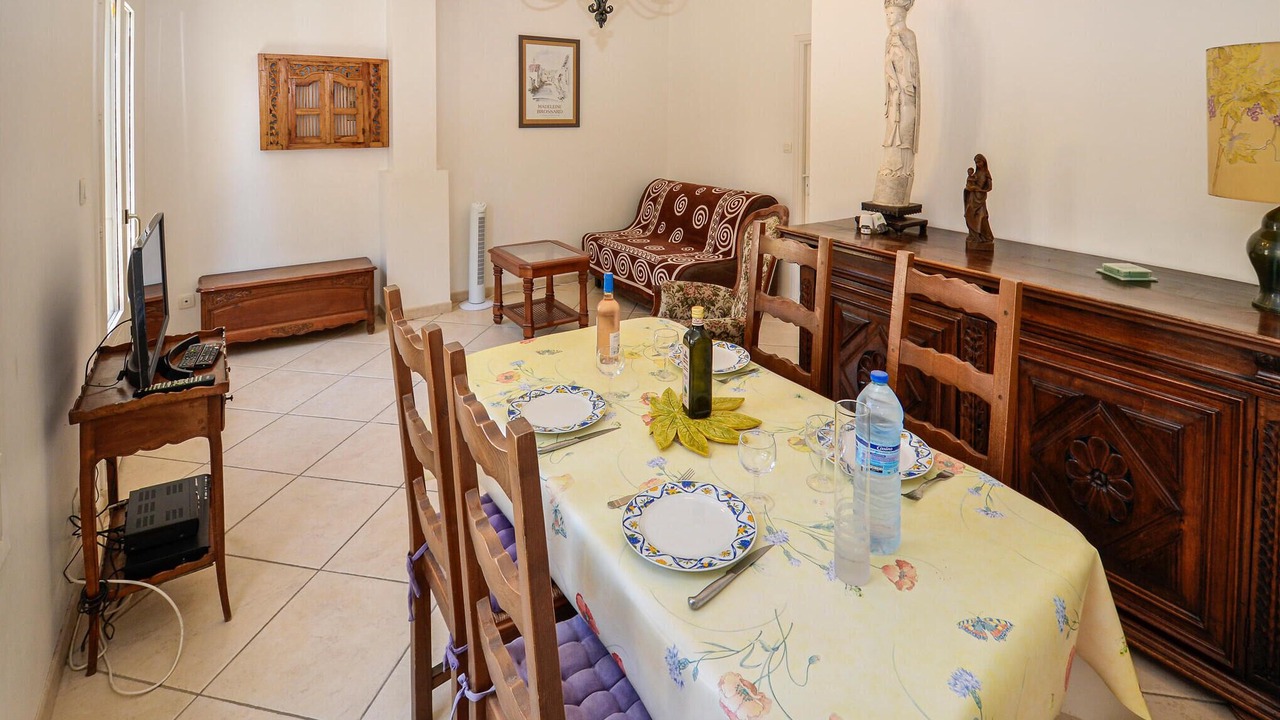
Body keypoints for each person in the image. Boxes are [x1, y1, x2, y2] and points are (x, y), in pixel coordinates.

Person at [872, 0, 920, 207]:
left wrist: (901, 48)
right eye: (887, 14)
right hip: (894, 97)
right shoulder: (888, 38)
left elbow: (913, 69)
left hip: (906, 97)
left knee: (904, 136)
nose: (888, 18)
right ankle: (888, 182)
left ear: (901, 14)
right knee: (891, 135)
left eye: (891, 14)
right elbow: (887, 69)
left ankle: (900, 181)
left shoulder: (908, 36)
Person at [964, 154, 994, 244]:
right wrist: (969, 188)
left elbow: (989, 187)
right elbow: (969, 184)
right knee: (969, 214)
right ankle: (974, 236)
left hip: (980, 198)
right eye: (976, 163)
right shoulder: (975, 174)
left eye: (979, 162)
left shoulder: (986, 173)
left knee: (982, 217)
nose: (978, 164)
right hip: (973, 197)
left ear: (984, 162)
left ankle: (986, 236)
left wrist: (979, 189)